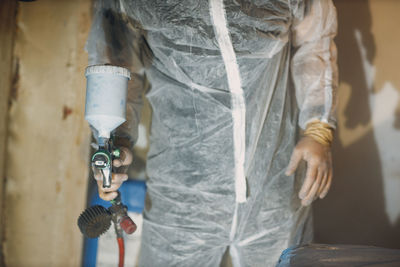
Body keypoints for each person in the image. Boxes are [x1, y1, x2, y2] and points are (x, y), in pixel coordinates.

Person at [86, 0, 338, 266]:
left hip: (274, 187)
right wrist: (116, 140)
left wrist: (318, 126)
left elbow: (315, 41)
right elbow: (114, 63)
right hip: (182, 194)